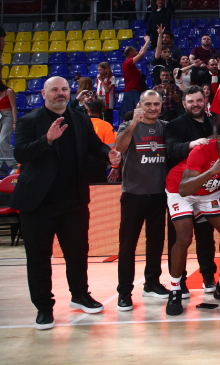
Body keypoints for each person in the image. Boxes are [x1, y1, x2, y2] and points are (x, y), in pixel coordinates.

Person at [12, 77, 121, 329]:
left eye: (64, 89)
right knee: (39, 257)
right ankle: (43, 307)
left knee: (77, 252)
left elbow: (95, 146)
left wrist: (109, 155)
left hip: (73, 200)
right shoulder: (30, 121)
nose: (60, 94)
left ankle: (80, 295)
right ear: (43, 93)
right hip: (37, 203)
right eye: (55, 90)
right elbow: (21, 153)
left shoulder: (81, 118)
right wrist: (47, 140)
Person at [164, 118, 220, 315]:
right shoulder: (201, 151)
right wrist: (212, 171)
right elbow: (185, 188)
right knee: (184, 237)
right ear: (217, 138)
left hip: (209, 193)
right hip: (180, 190)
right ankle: (175, 290)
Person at [112, 91, 170, 311]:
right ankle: (124, 292)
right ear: (140, 105)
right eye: (148, 104)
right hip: (133, 194)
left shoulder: (166, 127)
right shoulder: (128, 125)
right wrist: (134, 123)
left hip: (158, 194)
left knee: (155, 243)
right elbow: (119, 147)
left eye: (156, 104)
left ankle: (152, 283)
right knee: (127, 245)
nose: (152, 108)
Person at [164, 86, 218, 294]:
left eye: (199, 100)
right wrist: (192, 144)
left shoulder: (213, 123)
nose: (196, 104)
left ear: (204, 101)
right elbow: (170, 149)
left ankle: (208, 276)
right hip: (181, 190)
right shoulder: (175, 125)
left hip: (207, 190)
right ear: (184, 104)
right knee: (180, 238)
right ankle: (179, 282)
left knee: (206, 236)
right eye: (191, 101)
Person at [119, 36, 151, 117]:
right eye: (135, 50)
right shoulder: (127, 63)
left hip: (134, 91)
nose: (137, 51)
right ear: (131, 53)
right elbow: (141, 53)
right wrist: (147, 41)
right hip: (132, 92)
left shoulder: (130, 65)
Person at [0, 78, 19, 169]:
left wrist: (14, 122)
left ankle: (14, 163)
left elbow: (13, 108)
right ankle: (3, 166)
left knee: (3, 140)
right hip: (0, 115)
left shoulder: (8, 91)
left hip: (8, 116)